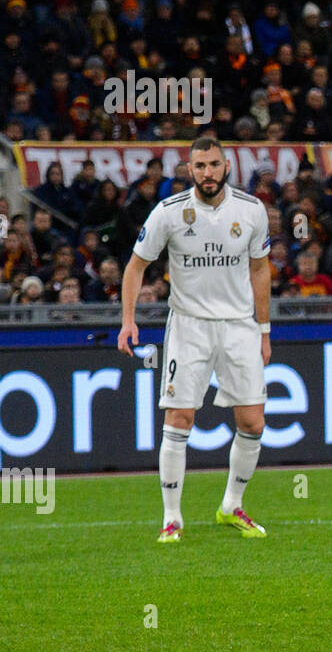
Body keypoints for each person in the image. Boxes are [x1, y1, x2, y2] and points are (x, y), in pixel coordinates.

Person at [117, 137, 274, 543]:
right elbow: (135, 268)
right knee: (179, 418)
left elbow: (260, 270)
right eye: (200, 165)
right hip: (189, 326)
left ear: (226, 167)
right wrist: (128, 320)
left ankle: (231, 506)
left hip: (239, 325)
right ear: (189, 170)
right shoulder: (169, 213)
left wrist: (263, 329)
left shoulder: (252, 210)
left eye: (214, 164)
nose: (207, 172)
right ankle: (172, 518)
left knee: (252, 421)